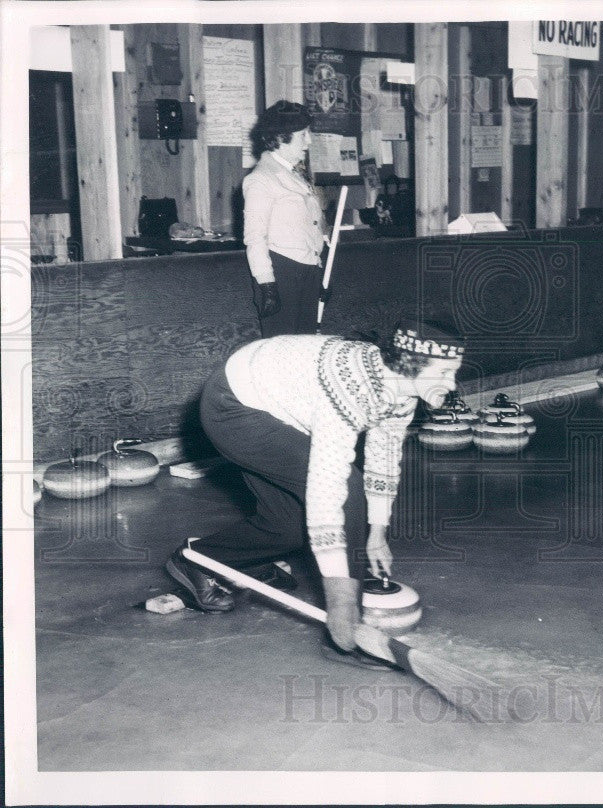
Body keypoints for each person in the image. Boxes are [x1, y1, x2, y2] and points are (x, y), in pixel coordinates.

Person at [165, 320, 465, 668]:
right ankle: (344, 640)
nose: (452, 385)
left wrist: (377, 532)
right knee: (347, 489)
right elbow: (327, 488)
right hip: (233, 407)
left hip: (279, 405)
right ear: (410, 363)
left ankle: (197, 559)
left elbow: (384, 455)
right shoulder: (350, 386)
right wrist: (340, 604)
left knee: (290, 526)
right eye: (444, 373)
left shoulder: (401, 390)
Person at [244, 101, 326, 337]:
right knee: (281, 355)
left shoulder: (296, 175)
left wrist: (316, 272)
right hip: (281, 275)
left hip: (306, 272)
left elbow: (310, 228)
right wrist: (267, 285)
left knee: (306, 349)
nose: (309, 142)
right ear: (281, 138)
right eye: (303, 135)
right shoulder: (261, 179)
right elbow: (255, 239)